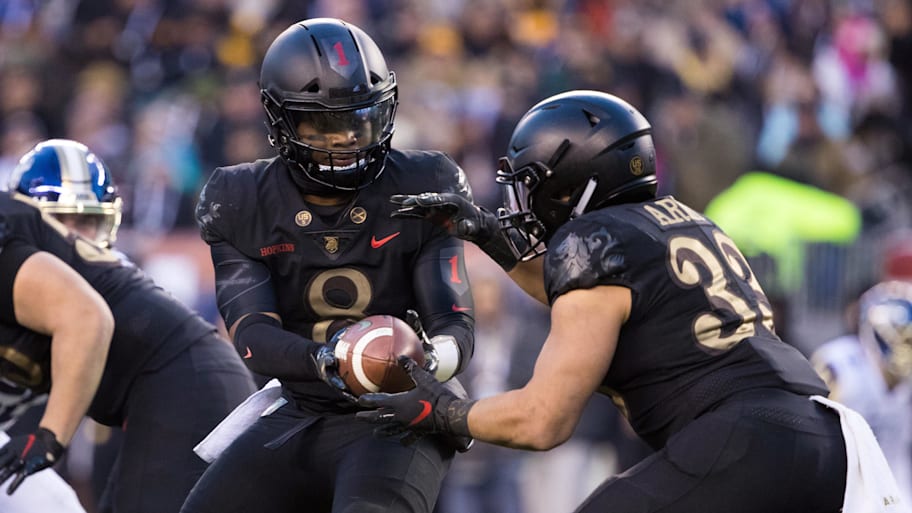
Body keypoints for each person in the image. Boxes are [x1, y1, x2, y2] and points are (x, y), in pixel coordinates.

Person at [357, 90, 904, 513]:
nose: (520, 201)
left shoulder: (591, 242)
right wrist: (487, 237)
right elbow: (589, 302)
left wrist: (447, 412)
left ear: (573, 183)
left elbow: (542, 421)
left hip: (742, 442)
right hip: (824, 443)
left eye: (531, 183)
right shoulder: (682, 220)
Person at [180, 18, 475, 513]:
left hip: (402, 413)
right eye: (323, 123)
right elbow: (251, 335)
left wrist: (422, 360)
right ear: (281, 120)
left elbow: (456, 325)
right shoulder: (239, 198)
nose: (344, 138)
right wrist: (329, 360)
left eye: (358, 119)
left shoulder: (425, 182)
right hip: (302, 409)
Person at [1, 138, 257, 513]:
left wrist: (49, 436)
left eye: (87, 221)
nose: (73, 235)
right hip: (171, 389)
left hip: (182, 387)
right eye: (59, 220)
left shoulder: (21, 260)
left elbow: (88, 318)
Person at [811, 280, 912, 502]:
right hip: (845, 492)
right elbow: (816, 440)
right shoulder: (840, 365)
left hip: (897, 492)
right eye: (906, 338)